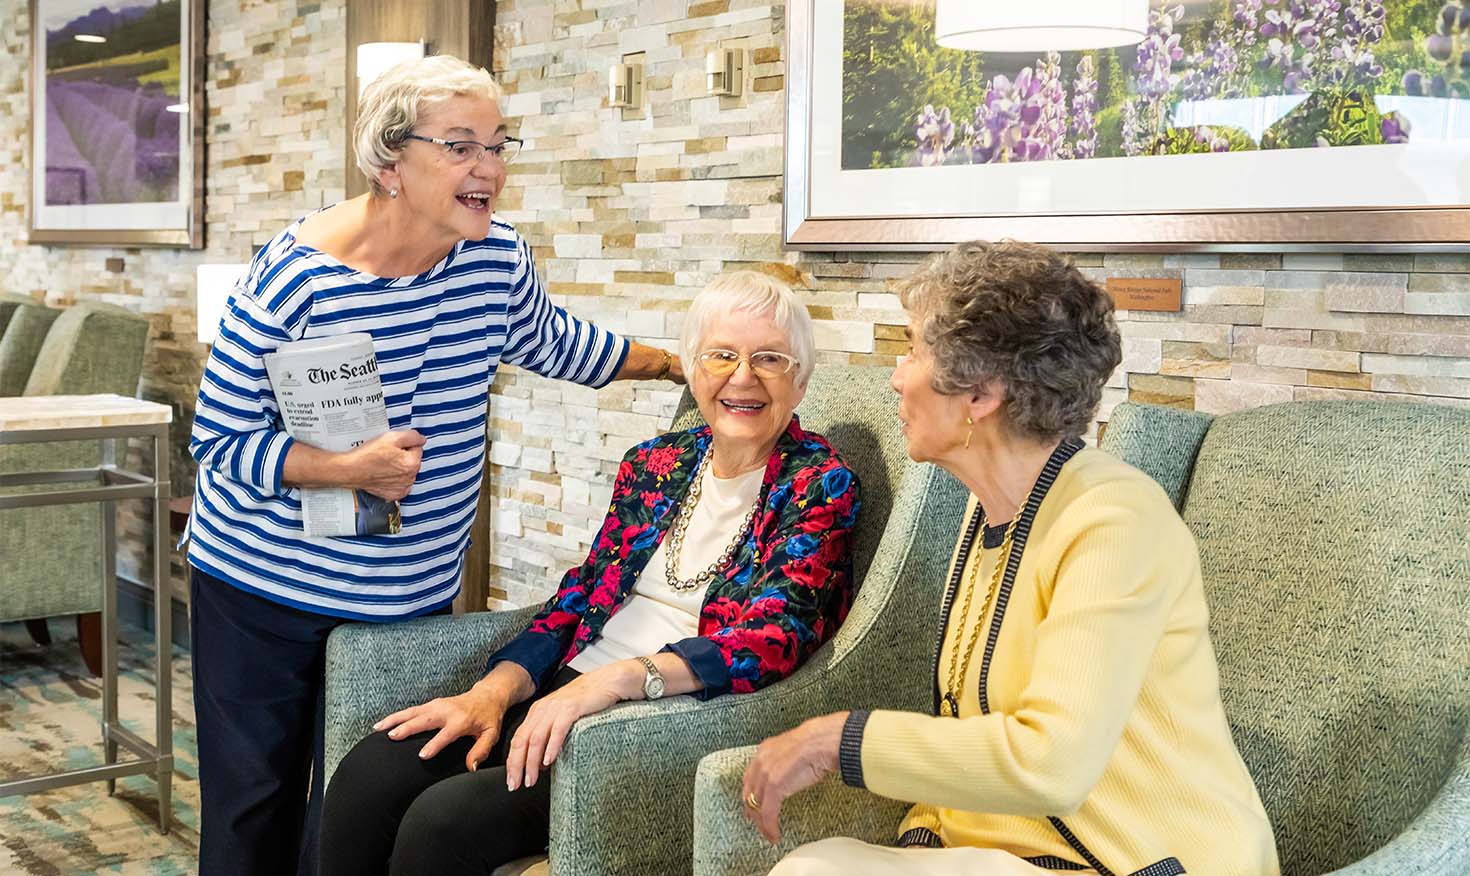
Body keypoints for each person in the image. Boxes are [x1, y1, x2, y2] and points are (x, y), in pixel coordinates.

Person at [185, 55, 685, 876]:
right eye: (460, 146)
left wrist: (677, 363)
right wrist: (343, 469)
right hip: (261, 594)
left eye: (498, 144)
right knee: (251, 819)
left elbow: (559, 343)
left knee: (347, 821)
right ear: (389, 163)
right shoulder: (295, 281)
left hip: (402, 605)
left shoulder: (496, 259)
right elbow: (218, 442)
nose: (488, 168)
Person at [740, 241, 1280, 876]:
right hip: (1014, 859)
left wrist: (838, 741)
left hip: (1141, 861)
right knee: (817, 862)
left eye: (912, 350)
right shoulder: (987, 509)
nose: (895, 374)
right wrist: (924, 839)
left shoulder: (1114, 520)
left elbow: (1049, 762)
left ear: (979, 395)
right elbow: (969, 722)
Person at [320, 270, 861, 876]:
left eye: (769, 358)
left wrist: (613, 683)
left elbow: (772, 639)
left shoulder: (819, 484)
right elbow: (583, 593)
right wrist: (494, 690)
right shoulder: (657, 463)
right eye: (721, 355)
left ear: (801, 379)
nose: (742, 376)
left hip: (658, 718)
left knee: (444, 822)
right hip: (567, 686)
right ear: (693, 365)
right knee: (370, 774)